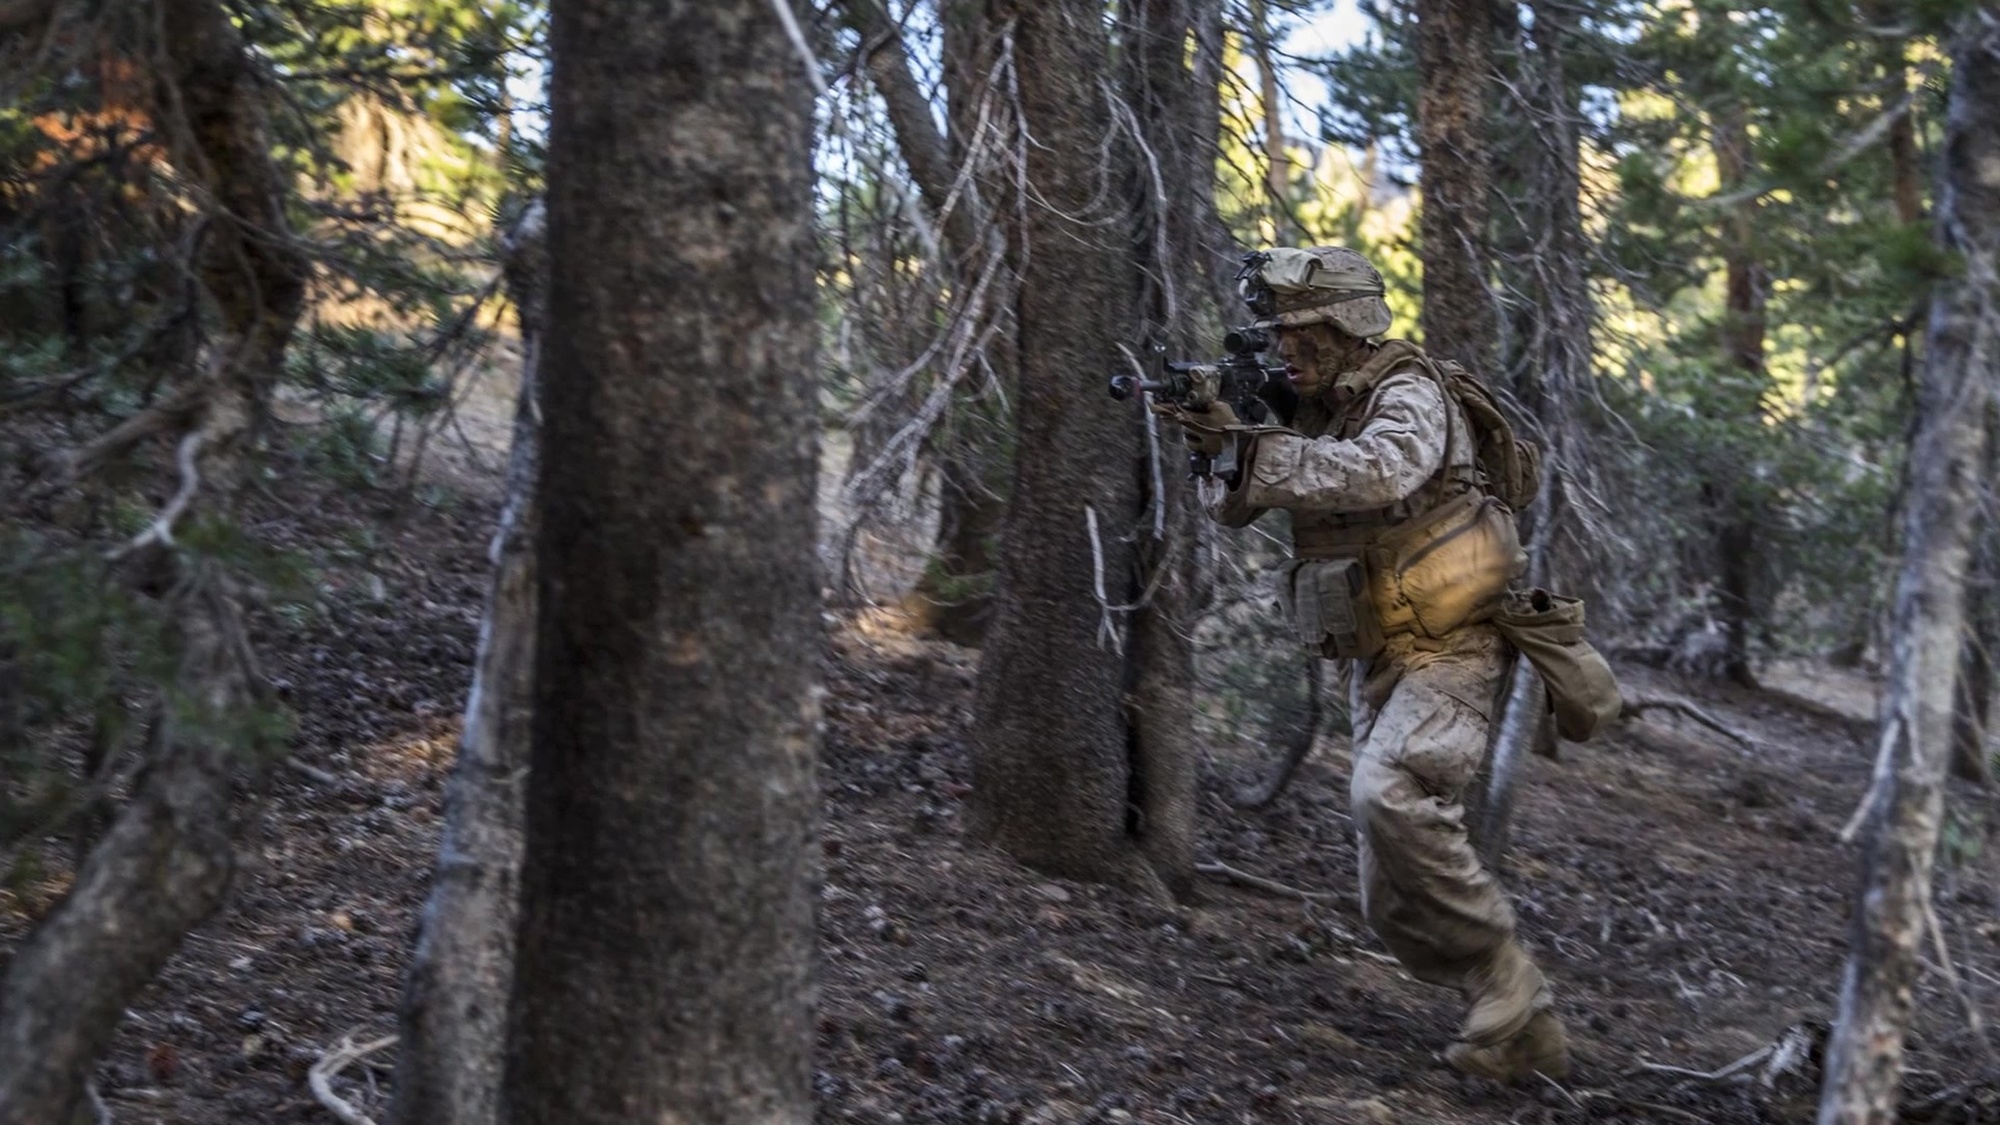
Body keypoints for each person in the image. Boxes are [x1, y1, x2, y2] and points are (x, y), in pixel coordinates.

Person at [1161, 245, 1570, 1083]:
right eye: (1276, 333)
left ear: (1347, 325)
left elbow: (1382, 470)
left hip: (1454, 636)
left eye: (1301, 332)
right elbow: (1231, 508)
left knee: (1388, 790)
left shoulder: (1408, 391)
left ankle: (1509, 983)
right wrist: (1220, 441)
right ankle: (1515, 1031)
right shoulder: (1311, 403)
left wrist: (1260, 447)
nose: (1286, 350)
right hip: (1376, 646)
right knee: (1386, 896)